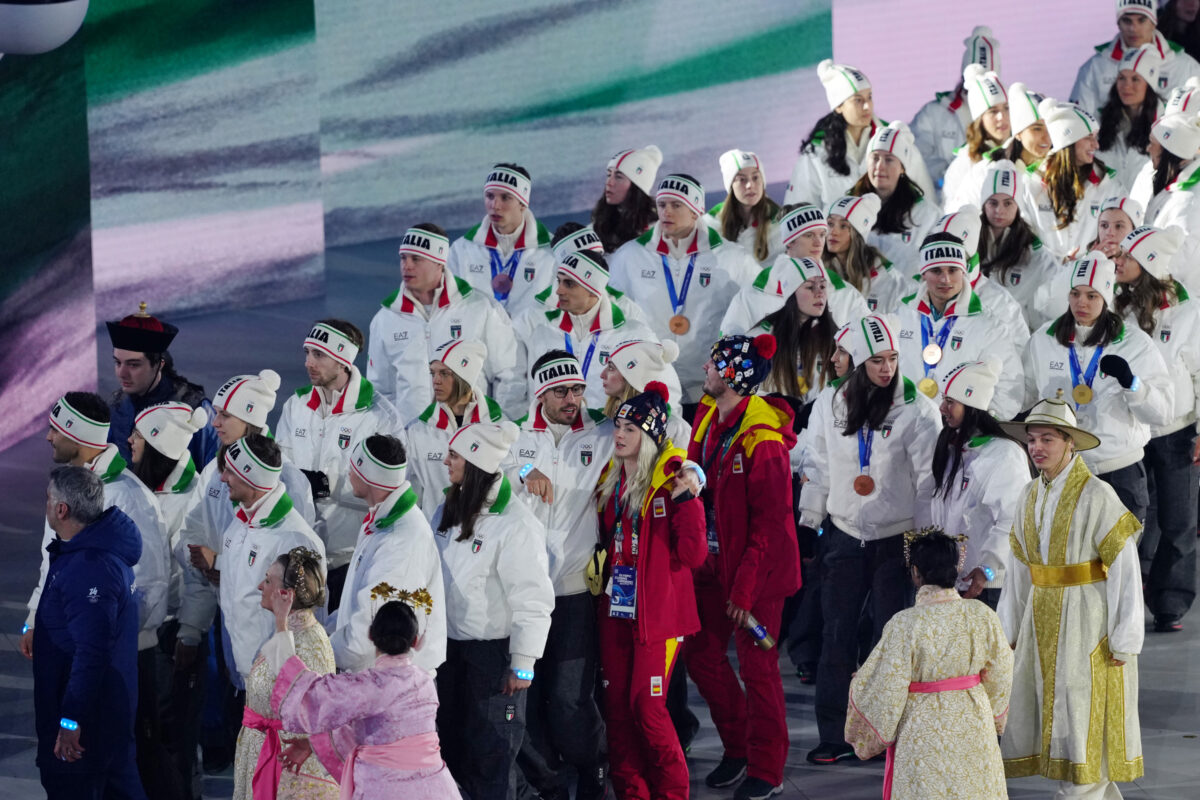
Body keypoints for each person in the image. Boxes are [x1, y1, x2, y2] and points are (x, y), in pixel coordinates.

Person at [798, 314, 941, 765]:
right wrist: (809, 520)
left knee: (889, 641)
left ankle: (885, 734)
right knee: (835, 636)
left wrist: (923, 541)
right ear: (857, 363)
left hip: (894, 540)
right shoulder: (830, 401)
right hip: (843, 534)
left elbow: (927, 482)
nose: (887, 368)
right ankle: (834, 734)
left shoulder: (917, 408)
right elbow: (818, 465)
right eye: (876, 360)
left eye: (893, 359)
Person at [997, 397, 1145, 799]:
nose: (1037, 448)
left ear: (1070, 444)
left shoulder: (1098, 494)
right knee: (1060, 719)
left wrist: (1125, 637)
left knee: (1082, 722)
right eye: (1031, 440)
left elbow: (1125, 568)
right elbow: (1017, 571)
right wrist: (1006, 632)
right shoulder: (1028, 495)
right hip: (1040, 618)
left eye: (1047, 439)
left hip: (1086, 621)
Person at [686, 333, 800, 800]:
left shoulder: (765, 441)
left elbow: (771, 525)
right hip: (712, 562)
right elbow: (694, 472)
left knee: (759, 669)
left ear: (733, 375)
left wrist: (744, 591)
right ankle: (738, 745)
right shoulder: (709, 414)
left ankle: (767, 769)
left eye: (714, 366)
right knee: (699, 652)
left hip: (759, 575)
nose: (706, 372)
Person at [502, 353, 609, 800]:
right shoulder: (512, 435)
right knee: (524, 703)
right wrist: (524, 470)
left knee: (569, 700)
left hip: (571, 593)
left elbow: (664, 441)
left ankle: (593, 771)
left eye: (578, 390)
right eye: (562, 391)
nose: (573, 399)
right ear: (540, 393)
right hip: (521, 596)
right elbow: (484, 474)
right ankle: (547, 785)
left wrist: (693, 471)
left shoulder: (603, 432)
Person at [593, 382, 706, 800]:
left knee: (648, 709)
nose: (620, 434)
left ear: (652, 437)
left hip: (658, 618)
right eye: (619, 425)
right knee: (618, 713)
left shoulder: (669, 484)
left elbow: (694, 556)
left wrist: (687, 499)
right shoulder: (610, 479)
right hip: (615, 611)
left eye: (632, 428)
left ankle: (673, 794)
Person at [432, 421, 555, 799]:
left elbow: (532, 598)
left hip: (493, 656)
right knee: (455, 748)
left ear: (474, 463)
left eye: (454, 455)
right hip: (450, 652)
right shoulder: (446, 509)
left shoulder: (516, 525)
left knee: (493, 753)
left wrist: (522, 662)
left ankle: (545, 789)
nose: (446, 461)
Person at [845, 530, 1013, 800]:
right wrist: (993, 716)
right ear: (957, 567)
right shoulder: (982, 615)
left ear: (915, 572)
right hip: (974, 722)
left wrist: (862, 680)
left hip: (922, 728)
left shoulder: (905, 623)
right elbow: (1002, 671)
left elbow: (886, 685)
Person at [1023, 252, 1174, 522]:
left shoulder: (1134, 343)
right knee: (1065, 561)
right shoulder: (1043, 340)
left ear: (1106, 298)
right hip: (1062, 471)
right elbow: (1026, 398)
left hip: (1118, 473)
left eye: (1091, 295)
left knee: (1118, 563)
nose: (1081, 302)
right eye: (1075, 293)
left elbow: (1162, 413)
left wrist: (1132, 384)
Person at [266, 599, 462, 799]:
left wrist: (281, 625)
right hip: (436, 787)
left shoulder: (368, 686)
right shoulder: (425, 682)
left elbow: (309, 695)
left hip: (384, 789)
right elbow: (378, 730)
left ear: (370, 636)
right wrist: (312, 744)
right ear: (415, 641)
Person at [34, 466, 147, 800]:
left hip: (89, 729)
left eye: (48, 498)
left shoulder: (89, 567)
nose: (46, 504)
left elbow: (92, 653)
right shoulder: (85, 554)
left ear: (62, 509)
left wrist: (70, 720)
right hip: (104, 715)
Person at [277, 319, 403, 609]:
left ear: (343, 361)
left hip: (352, 558)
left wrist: (326, 485)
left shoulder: (379, 417)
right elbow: (282, 470)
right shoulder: (295, 407)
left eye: (319, 355)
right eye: (307, 352)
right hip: (301, 556)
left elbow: (388, 491)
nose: (309, 362)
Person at [607, 173, 761, 406]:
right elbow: (613, 316)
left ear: (696, 210)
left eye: (676, 205)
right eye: (661, 204)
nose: (666, 212)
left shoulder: (732, 258)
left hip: (709, 380)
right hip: (648, 378)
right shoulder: (630, 256)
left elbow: (757, 315)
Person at [188, 435, 327, 686]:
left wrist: (281, 680)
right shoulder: (240, 524)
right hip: (243, 672)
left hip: (277, 682)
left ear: (252, 478)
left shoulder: (295, 539)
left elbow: (306, 624)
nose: (222, 478)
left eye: (230, 472)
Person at [1115, 225, 1200, 631]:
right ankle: (1133, 592)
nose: (1119, 261)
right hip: (1130, 427)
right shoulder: (1117, 308)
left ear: (1148, 264)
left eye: (1127, 257)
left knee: (1178, 520)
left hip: (1177, 430)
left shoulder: (1190, 311)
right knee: (1131, 517)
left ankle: (1170, 602)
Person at [367, 223, 519, 420]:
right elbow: (381, 392)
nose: (407, 265)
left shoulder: (480, 308)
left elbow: (508, 375)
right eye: (403, 258)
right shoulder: (385, 319)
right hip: (411, 440)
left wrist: (500, 426)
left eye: (416, 259)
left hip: (473, 437)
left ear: (439, 262)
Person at [330, 435, 447, 675]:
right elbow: (356, 606)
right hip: (377, 678)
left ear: (367, 475)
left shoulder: (399, 540)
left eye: (354, 466)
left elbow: (367, 632)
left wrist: (320, 650)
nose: (348, 472)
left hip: (387, 685)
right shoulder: (382, 520)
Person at [232, 548, 338, 800]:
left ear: (286, 595)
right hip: (263, 751)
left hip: (286, 767)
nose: (260, 586)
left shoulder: (311, 641)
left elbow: (310, 706)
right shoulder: (293, 631)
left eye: (268, 580)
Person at [929, 360, 1031, 608]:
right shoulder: (953, 448)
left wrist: (988, 567)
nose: (942, 408)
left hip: (989, 586)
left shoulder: (1004, 454)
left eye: (950, 402)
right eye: (944, 399)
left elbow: (1014, 519)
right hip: (957, 582)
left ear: (972, 405)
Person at [510, 249, 657, 413]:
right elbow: (528, 391)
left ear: (594, 289)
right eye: (559, 281)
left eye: (569, 283)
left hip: (609, 433)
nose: (559, 290)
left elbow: (661, 391)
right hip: (554, 435)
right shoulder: (542, 333)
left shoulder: (633, 335)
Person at [895, 233, 1024, 419]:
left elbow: (1010, 390)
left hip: (958, 436)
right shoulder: (902, 315)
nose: (945, 279)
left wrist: (974, 427)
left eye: (953, 270)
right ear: (923, 272)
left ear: (964, 271)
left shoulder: (989, 326)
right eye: (937, 271)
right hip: (906, 430)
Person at [720, 255, 866, 402]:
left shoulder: (837, 339)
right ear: (791, 293)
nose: (819, 293)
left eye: (822, 286)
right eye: (810, 287)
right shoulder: (762, 336)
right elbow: (743, 390)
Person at [106, 303, 219, 468]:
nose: (121, 373)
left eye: (133, 365)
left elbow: (213, 475)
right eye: (117, 363)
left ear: (159, 365)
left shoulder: (195, 409)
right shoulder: (115, 406)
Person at [405, 339, 506, 519]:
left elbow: (516, 471)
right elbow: (409, 493)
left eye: (444, 373)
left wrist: (527, 471)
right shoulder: (417, 431)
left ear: (464, 377)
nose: (435, 381)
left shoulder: (497, 426)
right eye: (433, 373)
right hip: (436, 536)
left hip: (483, 536)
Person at [448, 163, 559, 319]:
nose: (495, 205)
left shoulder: (552, 252)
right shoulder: (461, 250)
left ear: (522, 203)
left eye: (505, 197)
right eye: (490, 196)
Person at [1023, 101, 1120, 261]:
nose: (1096, 145)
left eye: (1095, 138)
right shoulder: (1030, 183)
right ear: (1068, 141)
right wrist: (1060, 263)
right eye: (1089, 138)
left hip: (1090, 280)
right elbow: (1021, 240)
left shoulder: (1108, 184)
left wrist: (1091, 260)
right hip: (1042, 280)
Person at [787, 60, 892, 207]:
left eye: (870, 97)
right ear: (838, 106)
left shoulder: (891, 137)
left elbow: (920, 191)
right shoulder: (817, 151)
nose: (867, 106)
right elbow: (799, 208)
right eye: (858, 100)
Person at [1071, 0, 1200, 118]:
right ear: (1118, 23)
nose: (1134, 28)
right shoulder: (1094, 68)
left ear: (1154, 22)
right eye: (1127, 21)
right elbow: (1078, 122)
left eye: (1142, 20)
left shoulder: (1186, 66)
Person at [977, 160, 1064, 329]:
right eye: (992, 202)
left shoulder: (1035, 254)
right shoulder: (967, 242)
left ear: (1018, 206)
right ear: (983, 204)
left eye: (1008, 203)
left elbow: (1051, 303)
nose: (999, 210)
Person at [911, 26, 1001, 187]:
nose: (981, 87)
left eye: (988, 81)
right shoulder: (934, 113)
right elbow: (915, 156)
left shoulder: (1008, 116)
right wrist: (949, 174)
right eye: (975, 78)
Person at [850, 122, 943, 276]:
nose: (880, 166)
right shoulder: (850, 206)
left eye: (889, 159)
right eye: (875, 158)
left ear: (902, 168)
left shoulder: (926, 215)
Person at [1097, 45, 1166, 194]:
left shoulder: (1164, 124)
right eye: (1122, 78)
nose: (1126, 86)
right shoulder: (1104, 121)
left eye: (1135, 79)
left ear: (1149, 85)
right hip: (1110, 209)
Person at [1142, 111, 1200, 288]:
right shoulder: (1176, 185)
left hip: (1177, 296)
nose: (1148, 149)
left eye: (1153, 144)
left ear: (1170, 151)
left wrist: (1144, 277)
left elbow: (1183, 256)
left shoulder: (1189, 198)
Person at [942, 64, 1011, 212]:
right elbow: (952, 214)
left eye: (1006, 108)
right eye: (993, 111)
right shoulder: (964, 163)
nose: (1002, 117)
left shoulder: (1023, 152)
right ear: (980, 119)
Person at [824, 193, 907, 313]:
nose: (833, 232)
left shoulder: (885, 278)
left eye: (843, 226)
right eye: (830, 223)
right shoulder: (818, 267)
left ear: (858, 234)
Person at [708, 149, 782, 264]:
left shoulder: (780, 222)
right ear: (731, 185)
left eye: (755, 177)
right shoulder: (713, 221)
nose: (749, 185)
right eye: (742, 179)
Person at [592, 146, 662, 254]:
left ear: (637, 187)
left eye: (618, 177)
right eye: (609, 174)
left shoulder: (657, 232)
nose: (609, 182)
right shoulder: (599, 223)